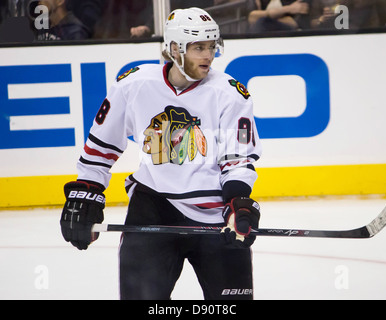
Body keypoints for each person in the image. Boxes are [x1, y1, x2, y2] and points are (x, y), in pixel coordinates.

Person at [60, 7, 262, 300]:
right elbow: (101, 146)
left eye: (211, 46)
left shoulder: (230, 93)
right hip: (153, 209)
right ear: (175, 48)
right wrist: (86, 190)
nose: (209, 55)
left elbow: (237, 160)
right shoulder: (134, 84)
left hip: (215, 216)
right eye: (199, 47)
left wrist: (237, 203)